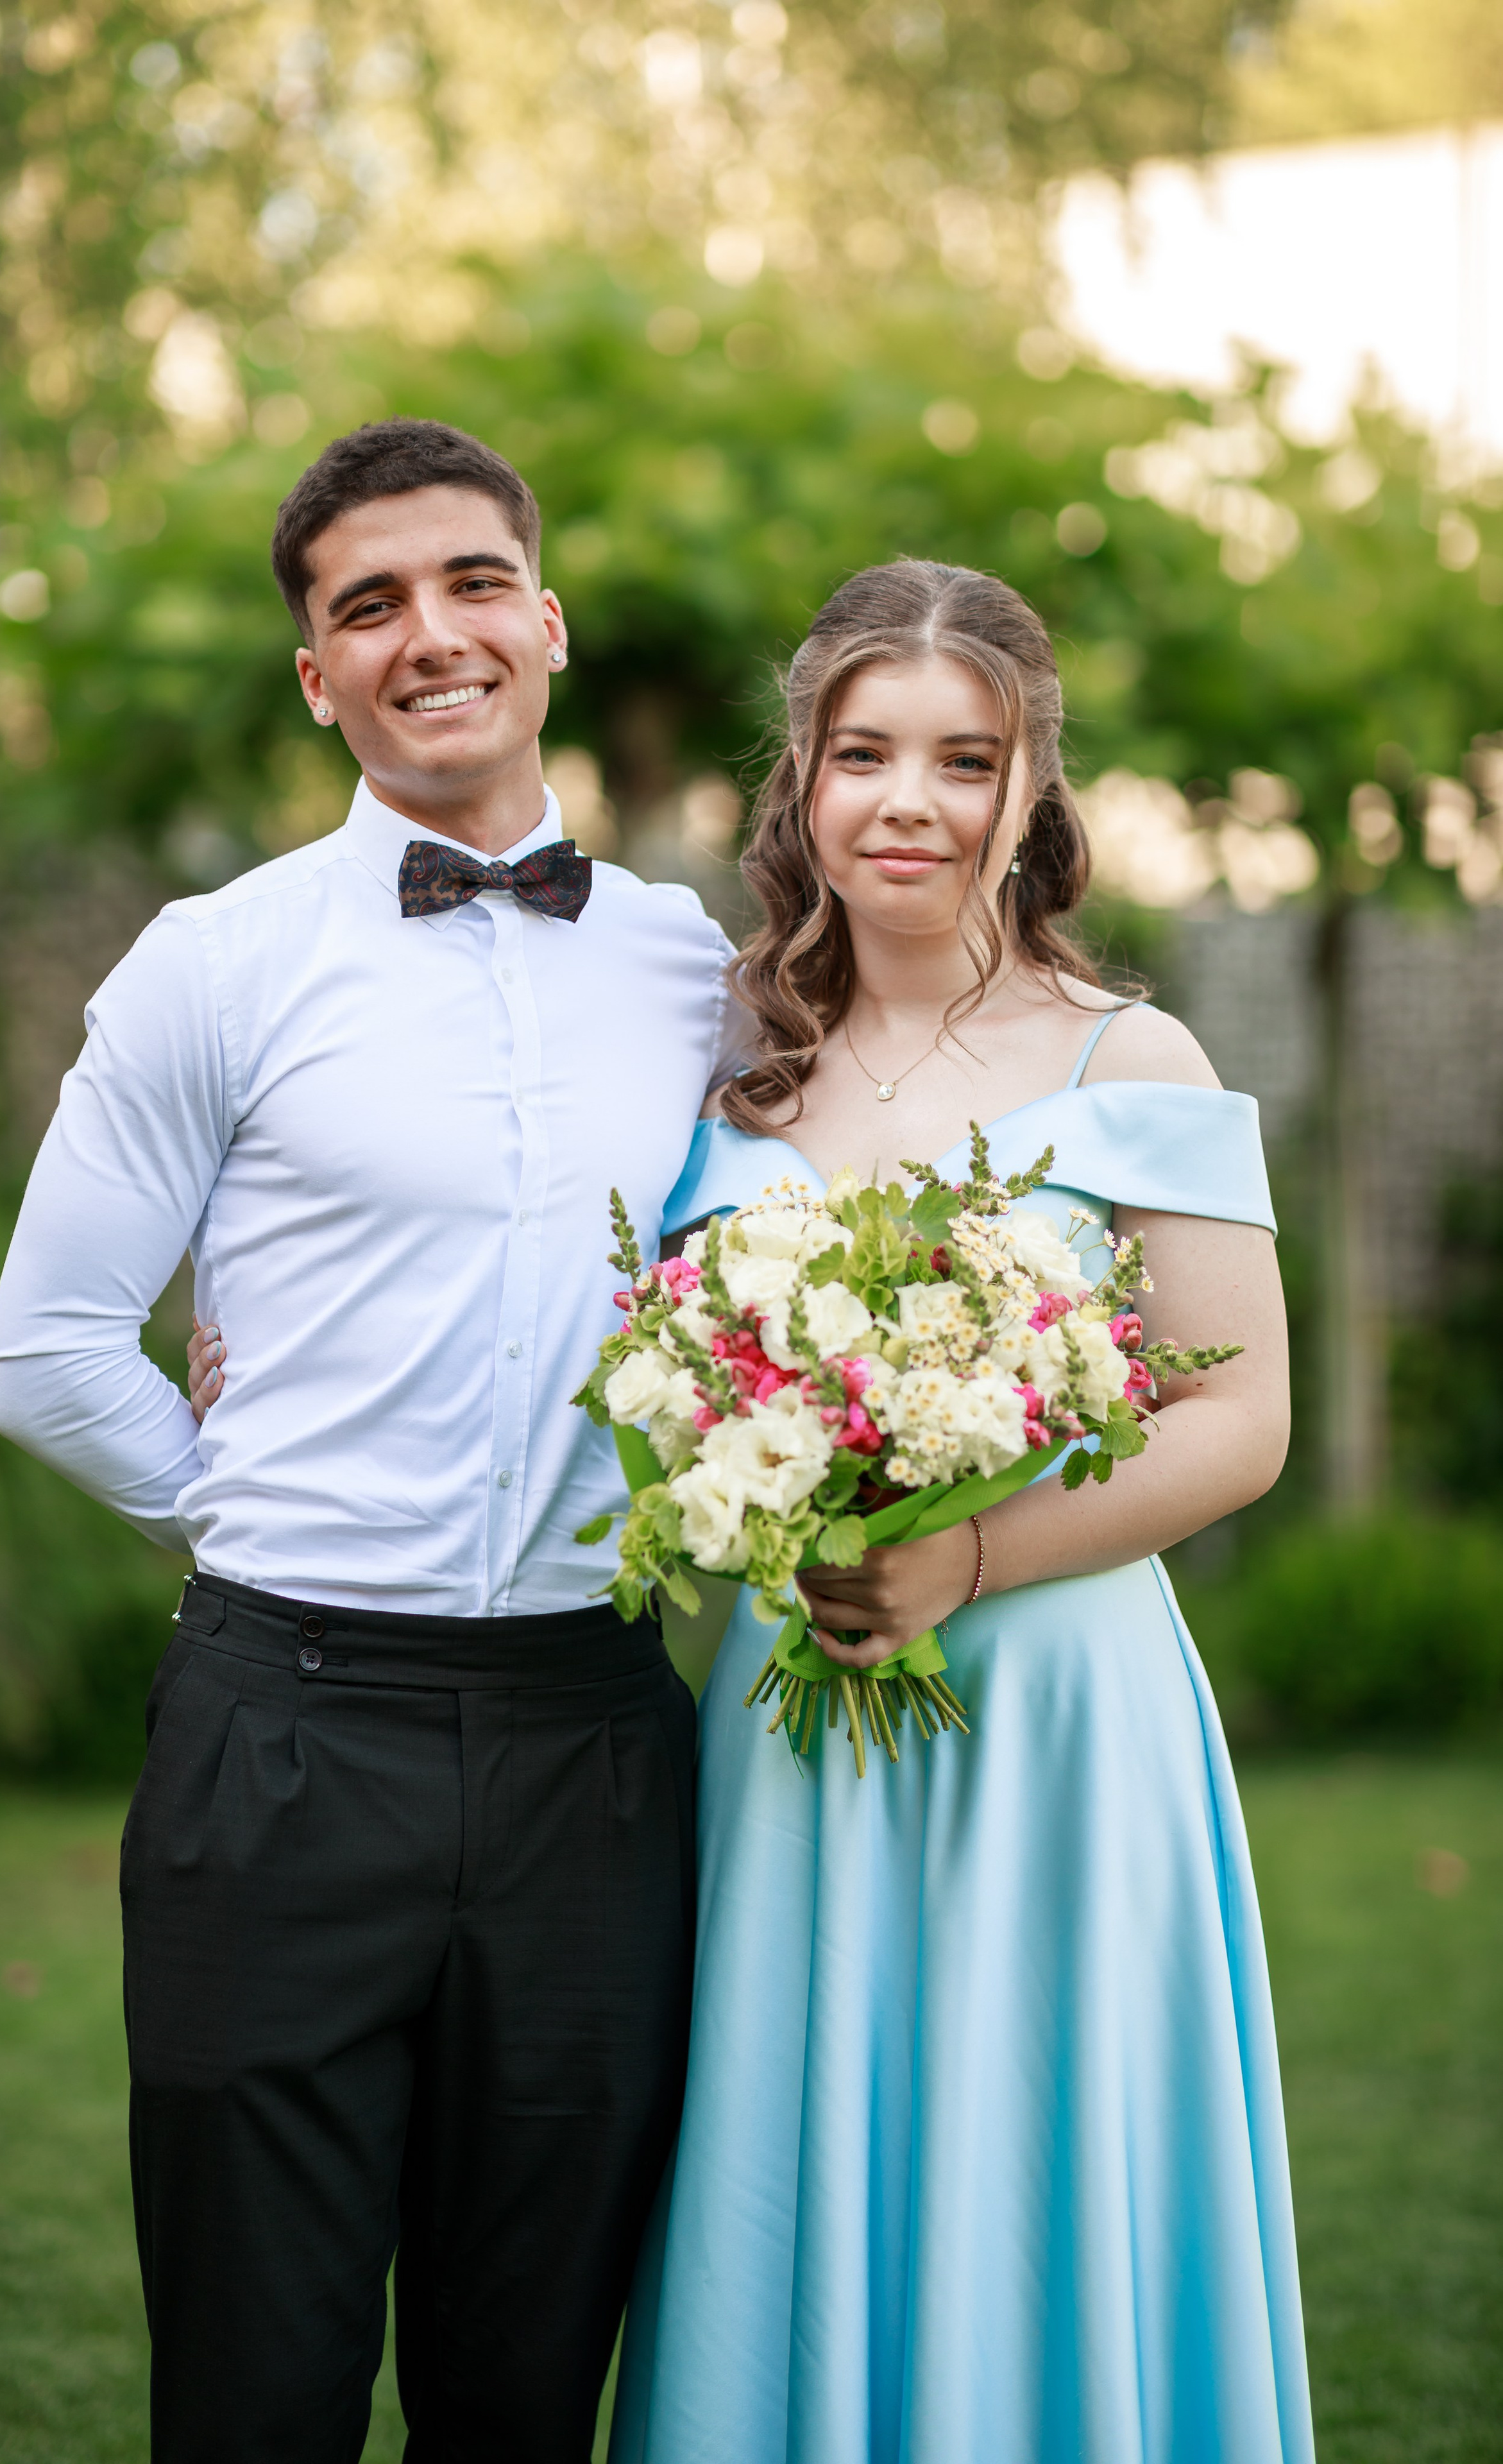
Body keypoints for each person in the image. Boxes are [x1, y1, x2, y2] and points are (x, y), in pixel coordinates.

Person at [0, 418, 751, 2464]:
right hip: (285, 1744)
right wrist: (249, 1510)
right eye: (371, 605)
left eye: (474, 582)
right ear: (319, 675)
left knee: (527, 2391)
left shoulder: (704, 973)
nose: (434, 634)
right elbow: (44, 1352)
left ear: (548, 624)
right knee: (260, 2387)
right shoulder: (215, 965)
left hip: (598, 1743)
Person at [602, 560, 1314, 2461]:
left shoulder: (1129, 1057)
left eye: (962, 760)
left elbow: (1245, 1417)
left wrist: (973, 1552)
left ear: (1030, 790)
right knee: (793, 2155)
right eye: (862, 755)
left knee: (1039, 2164)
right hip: (791, 1721)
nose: (905, 801)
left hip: (1060, 1720)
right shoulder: (721, 1071)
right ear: (802, 782)